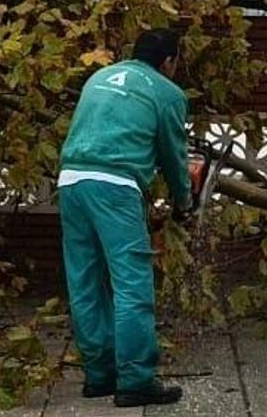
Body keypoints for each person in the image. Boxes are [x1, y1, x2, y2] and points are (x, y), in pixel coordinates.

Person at [58, 28, 192, 408]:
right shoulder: (167, 93)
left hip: (71, 181)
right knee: (131, 282)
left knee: (85, 280)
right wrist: (184, 201)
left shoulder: (98, 77)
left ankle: (99, 376)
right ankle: (135, 380)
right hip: (115, 186)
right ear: (169, 61)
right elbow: (173, 155)